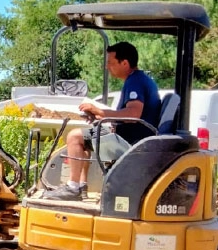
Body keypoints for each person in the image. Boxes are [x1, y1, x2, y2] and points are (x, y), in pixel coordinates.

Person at [43, 41, 161, 201]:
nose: (107, 67)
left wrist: (99, 111)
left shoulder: (136, 81)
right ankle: (81, 185)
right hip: (133, 138)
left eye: (111, 63)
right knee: (84, 140)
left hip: (131, 142)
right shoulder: (139, 80)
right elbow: (127, 115)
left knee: (74, 137)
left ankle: (72, 187)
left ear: (124, 63)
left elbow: (133, 114)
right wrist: (99, 116)